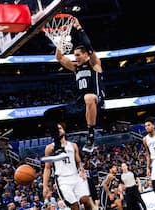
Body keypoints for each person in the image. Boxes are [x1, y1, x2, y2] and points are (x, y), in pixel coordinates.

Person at [55, 16, 106, 153]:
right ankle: (58, 144)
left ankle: (91, 135)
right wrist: (63, 36)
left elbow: (89, 46)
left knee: (89, 97)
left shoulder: (95, 64)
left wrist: (79, 28)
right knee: (53, 114)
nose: (75, 57)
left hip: (97, 100)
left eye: (78, 55)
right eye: (74, 55)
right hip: (80, 103)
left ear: (86, 55)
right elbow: (59, 57)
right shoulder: (75, 68)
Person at [42, 122, 96, 210]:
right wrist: (45, 186)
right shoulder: (50, 148)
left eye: (60, 128)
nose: (58, 130)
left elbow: (78, 162)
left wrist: (81, 169)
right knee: (74, 206)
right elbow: (47, 168)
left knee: (86, 200)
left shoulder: (73, 145)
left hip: (75, 176)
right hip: (62, 180)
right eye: (56, 130)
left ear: (64, 130)